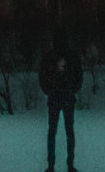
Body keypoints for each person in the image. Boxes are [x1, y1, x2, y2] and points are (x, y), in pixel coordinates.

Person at [39, 26, 83, 172]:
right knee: (68, 131)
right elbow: (79, 78)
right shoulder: (73, 57)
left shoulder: (49, 57)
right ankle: (69, 165)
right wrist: (71, 91)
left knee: (53, 132)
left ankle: (52, 166)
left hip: (55, 98)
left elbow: (42, 78)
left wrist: (49, 91)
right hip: (67, 98)